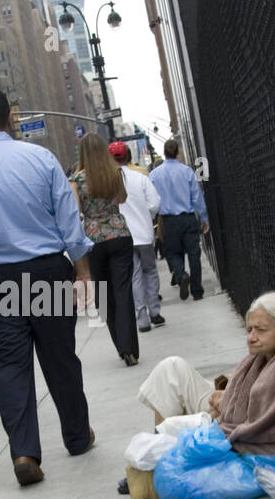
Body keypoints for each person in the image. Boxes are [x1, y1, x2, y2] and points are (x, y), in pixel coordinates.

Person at [0, 88, 97, 487]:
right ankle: (77, 436)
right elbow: (70, 224)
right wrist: (82, 272)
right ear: (10, 119)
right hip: (46, 271)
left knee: (9, 365)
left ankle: (24, 451)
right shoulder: (39, 158)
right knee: (60, 356)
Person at [123, 292, 275, 496]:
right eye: (249, 329)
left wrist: (223, 404)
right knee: (171, 368)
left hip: (233, 427)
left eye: (260, 330)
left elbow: (253, 426)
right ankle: (154, 459)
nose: (251, 337)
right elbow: (250, 393)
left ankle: (153, 465)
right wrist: (227, 393)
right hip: (227, 409)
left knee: (171, 428)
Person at [70, 134, 139, 365]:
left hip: (93, 239)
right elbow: (121, 198)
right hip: (119, 233)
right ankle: (130, 346)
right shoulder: (115, 173)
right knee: (123, 290)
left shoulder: (76, 180)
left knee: (104, 294)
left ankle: (120, 346)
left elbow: (76, 211)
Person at [110, 142, 164, 333]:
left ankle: (142, 319)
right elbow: (155, 203)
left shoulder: (109, 183)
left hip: (123, 236)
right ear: (128, 156)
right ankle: (155, 311)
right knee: (150, 271)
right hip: (144, 234)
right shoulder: (140, 178)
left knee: (135, 276)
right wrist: (147, 216)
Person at [151, 139, 209, 301]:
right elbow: (196, 197)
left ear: (164, 153)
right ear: (177, 152)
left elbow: (152, 200)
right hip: (188, 218)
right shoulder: (187, 171)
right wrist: (203, 217)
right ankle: (197, 290)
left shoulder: (154, 175)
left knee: (172, 252)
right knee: (193, 254)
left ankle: (181, 273)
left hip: (168, 220)